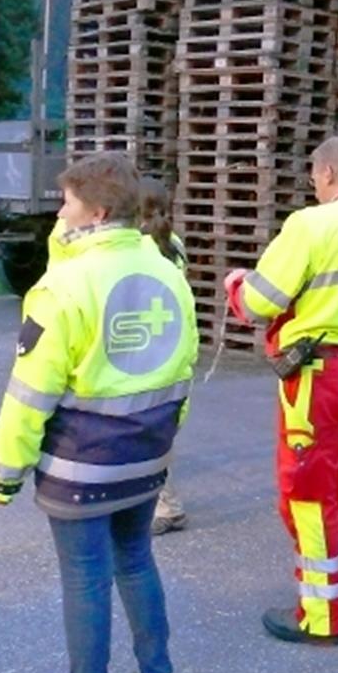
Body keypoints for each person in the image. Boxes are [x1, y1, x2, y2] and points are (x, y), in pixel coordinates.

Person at [0, 153, 198, 673]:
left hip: (80, 464)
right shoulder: (167, 272)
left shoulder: (62, 287)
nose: (59, 211)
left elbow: (29, 393)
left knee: (85, 579)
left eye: (68, 202)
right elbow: (184, 367)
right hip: (148, 458)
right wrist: (164, 437)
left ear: (95, 212)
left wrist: (2, 475)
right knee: (136, 561)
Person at [224, 136, 338, 646]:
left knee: (306, 491)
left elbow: (261, 302)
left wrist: (237, 284)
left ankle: (320, 615)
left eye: (313, 176)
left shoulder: (311, 224)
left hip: (316, 377)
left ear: (325, 174)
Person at [138, 176, 191, 536]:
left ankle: (169, 507)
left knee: (150, 434)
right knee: (157, 430)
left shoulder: (142, 248)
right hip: (170, 348)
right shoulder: (173, 244)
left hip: (146, 352)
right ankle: (155, 501)